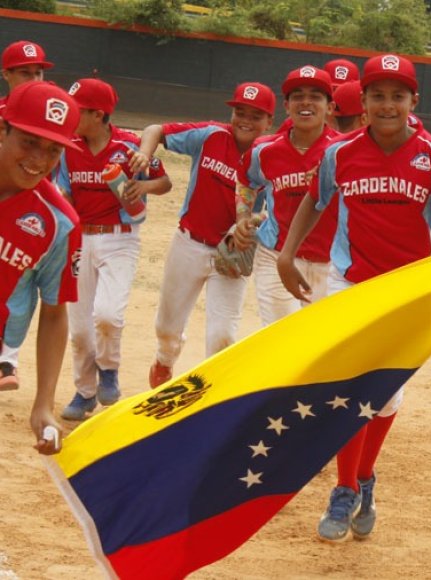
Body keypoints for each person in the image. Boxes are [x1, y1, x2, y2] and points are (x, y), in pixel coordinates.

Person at [277, 53, 431, 542]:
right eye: (377, 95)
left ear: (414, 101)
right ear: (362, 102)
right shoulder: (340, 153)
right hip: (353, 285)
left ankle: (365, 477)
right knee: (351, 389)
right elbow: (314, 198)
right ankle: (344, 488)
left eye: (397, 95)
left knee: (386, 399)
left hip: (408, 291)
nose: (387, 105)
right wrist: (286, 255)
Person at [127, 82, 275, 388]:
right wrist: (144, 153)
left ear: (269, 122)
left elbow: (279, 206)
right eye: (239, 112)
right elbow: (156, 129)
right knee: (167, 329)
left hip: (232, 251)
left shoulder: (270, 155)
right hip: (189, 244)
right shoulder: (210, 135)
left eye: (255, 115)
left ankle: (211, 395)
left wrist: (254, 224)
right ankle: (165, 361)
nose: (245, 120)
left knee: (223, 335)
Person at [54, 78, 171, 420]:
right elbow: (64, 192)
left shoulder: (129, 145)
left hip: (119, 236)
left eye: (78, 110)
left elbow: (164, 182)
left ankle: (108, 369)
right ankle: (84, 392)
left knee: (107, 314)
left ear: (99, 113)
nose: (71, 115)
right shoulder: (68, 147)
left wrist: (141, 185)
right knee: (78, 327)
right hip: (80, 239)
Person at [0, 81, 82, 453]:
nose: (39, 158)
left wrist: (43, 405)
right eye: (29, 141)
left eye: (53, 150)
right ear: (3, 129)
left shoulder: (59, 223)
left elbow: (54, 312)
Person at [234, 66, 339, 326]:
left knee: (319, 344)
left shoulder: (343, 151)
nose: (305, 102)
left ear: (330, 107)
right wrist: (243, 217)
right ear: (287, 105)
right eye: (297, 96)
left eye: (315, 96)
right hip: (275, 254)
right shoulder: (264, 150)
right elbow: (247, 182)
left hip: (332, 263)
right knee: (283, 335)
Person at [0, 40, 54, 390]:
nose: (34, 78)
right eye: (25, 73)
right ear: (7, 75)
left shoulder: (52, 113)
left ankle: (8, 360)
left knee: (22, 287)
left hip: (33, 214)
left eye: (38, 72)